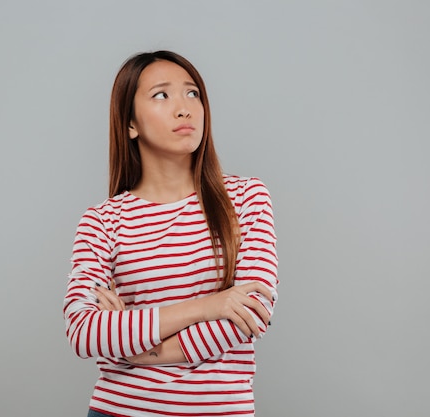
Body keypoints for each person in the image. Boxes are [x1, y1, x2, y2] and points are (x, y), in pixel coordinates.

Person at [64, 50, 278, 417]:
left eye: (192, 93)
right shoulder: (102, 220)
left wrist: (130, 346)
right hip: (120, 410)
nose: (184, 108)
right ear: (130, 123)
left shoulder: (245, 198)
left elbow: (250, 313)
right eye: (161, 95)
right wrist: (210, 305)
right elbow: (84, 330)